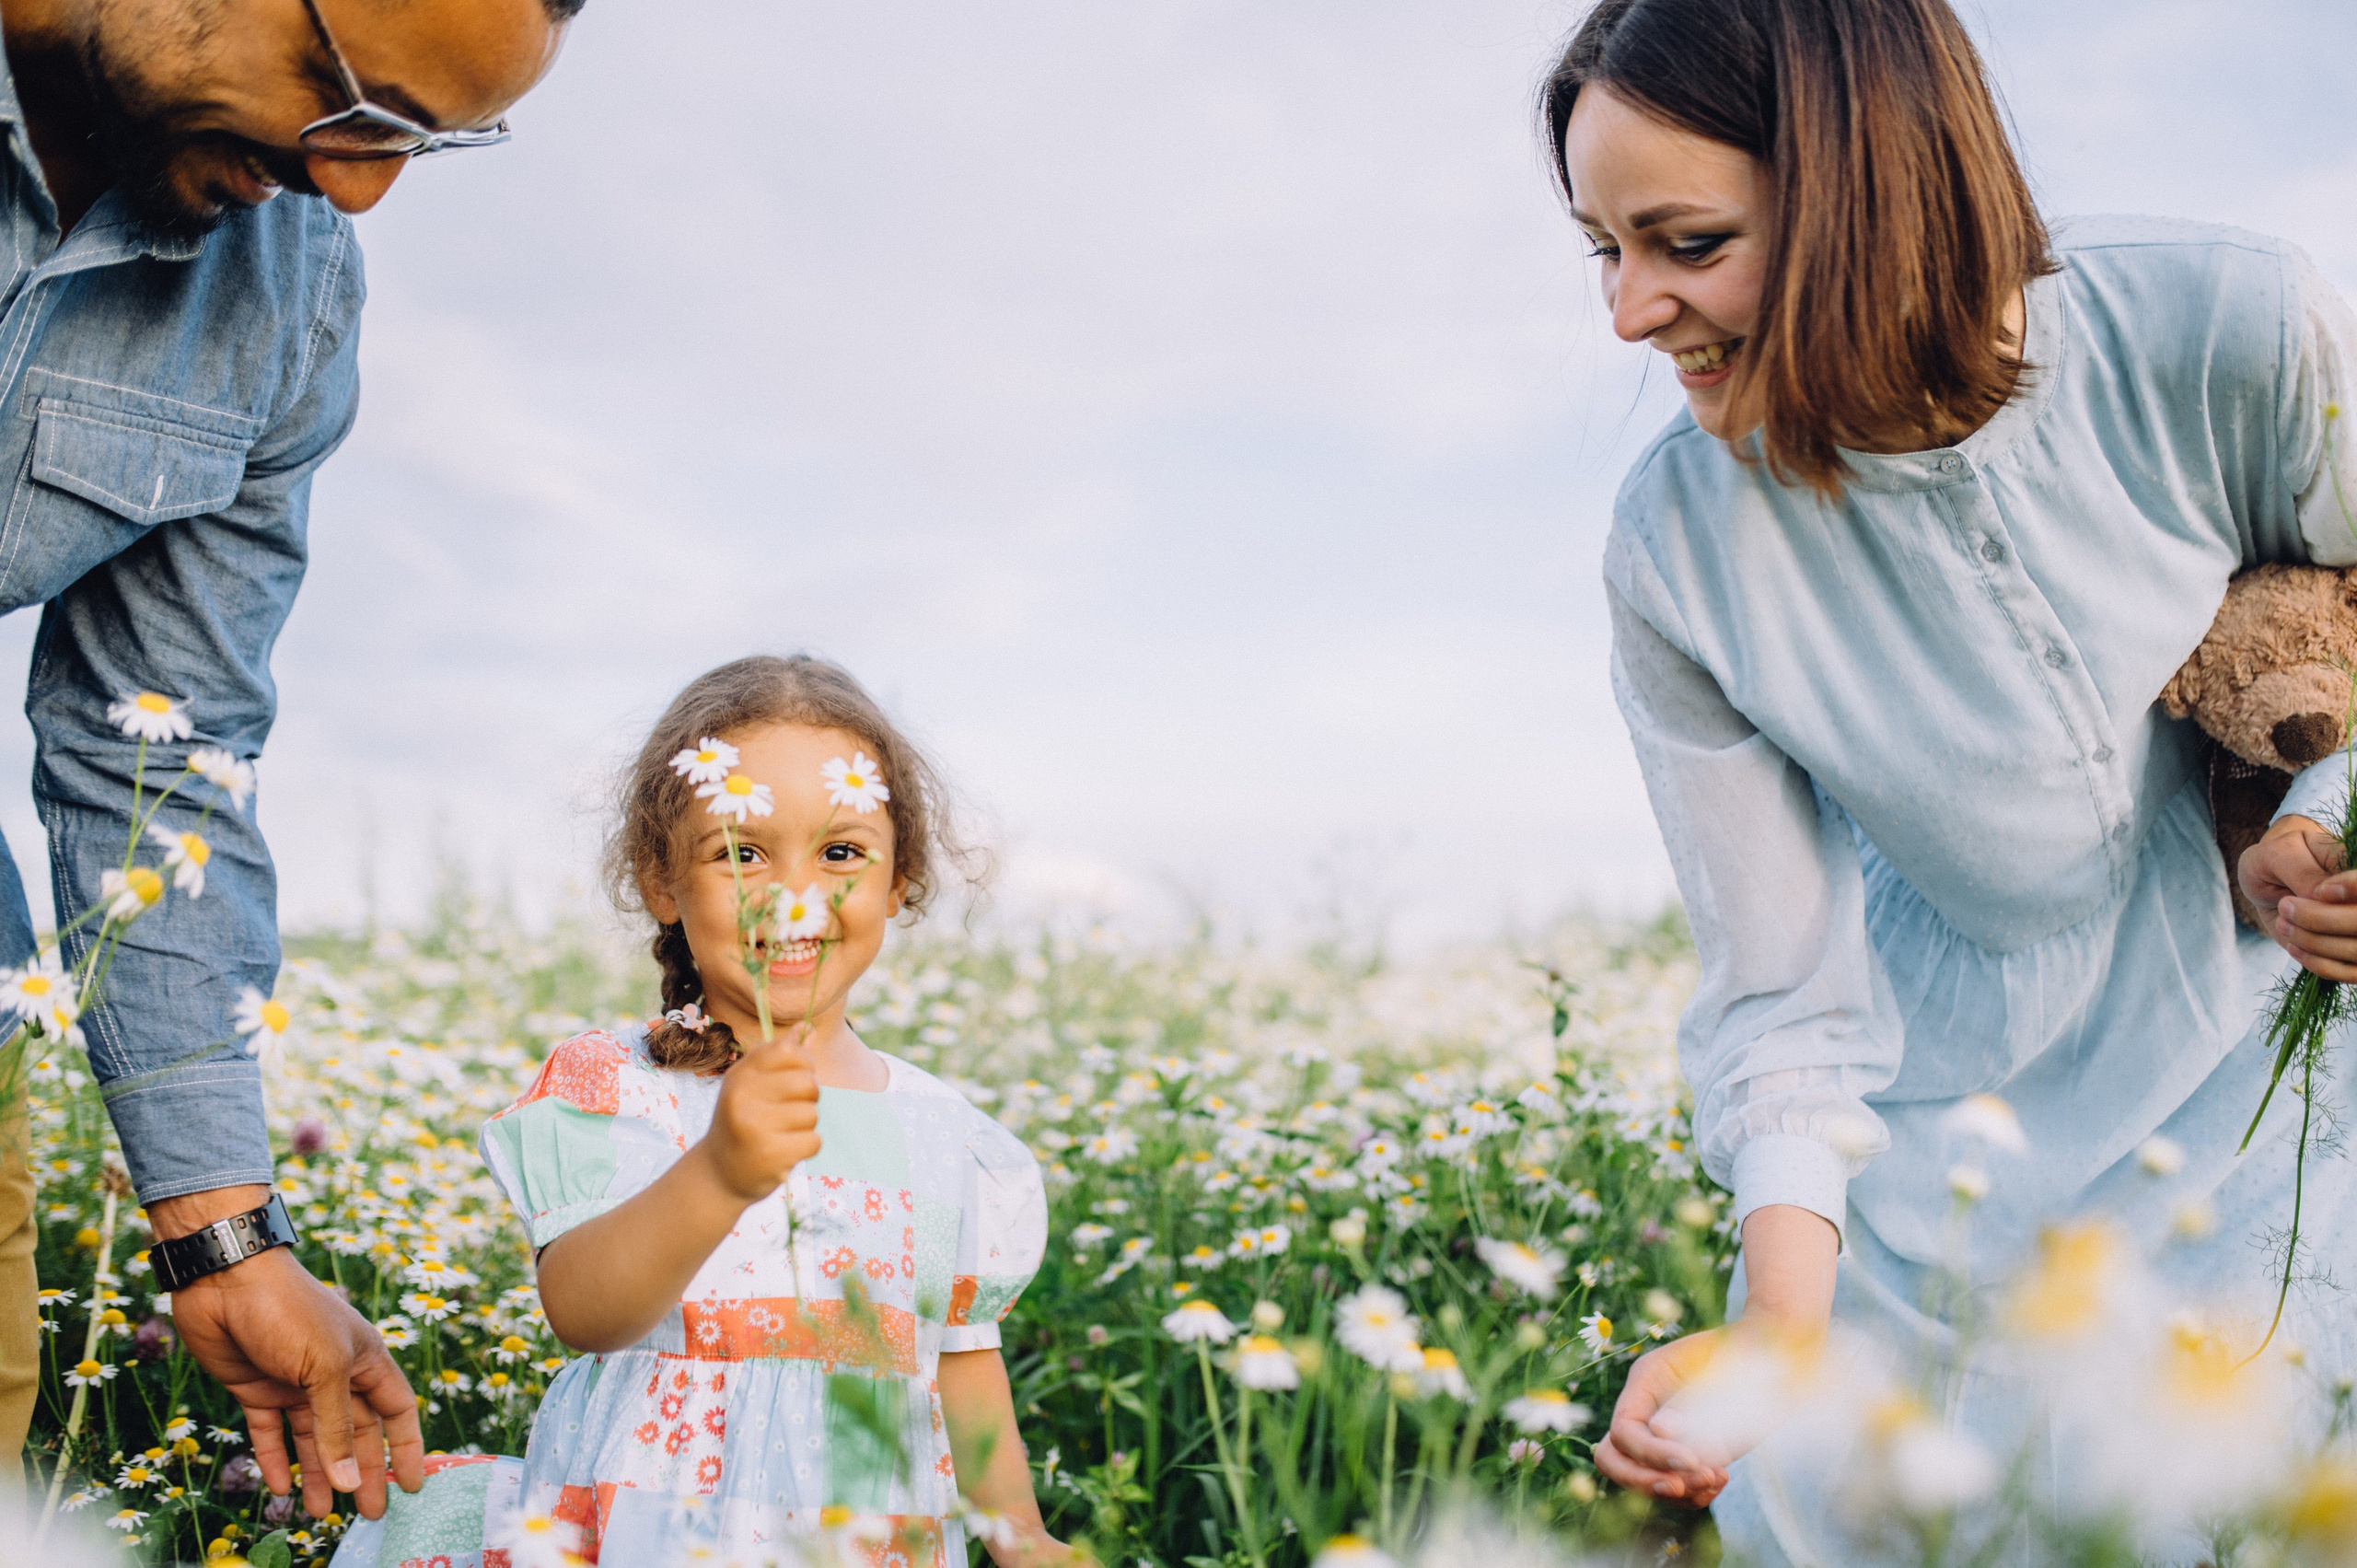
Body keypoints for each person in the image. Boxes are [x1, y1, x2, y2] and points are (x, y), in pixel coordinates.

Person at [1540, 0, 2357, 1557]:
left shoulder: (2224, 328)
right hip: (1947, 1166)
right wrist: (1782, 1326)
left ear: (1873, 191)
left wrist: (2311, 826)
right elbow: (1779, 992)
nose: (1631, 313)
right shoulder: (1676, 553)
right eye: (1602, 248)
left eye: (1687, 242)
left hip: (2286, 1088)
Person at [0, 0, 579, 1522]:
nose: (356, 186)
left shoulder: (289, 303)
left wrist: (222, 1237)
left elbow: (160, 743)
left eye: (417, 141)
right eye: (346, 98)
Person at [332, 655, 1066, 1567]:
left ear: (899, 878)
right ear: (662, 880)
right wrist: (719, 1172)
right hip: (654, 1529)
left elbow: (958, 1360)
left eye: (840, 852)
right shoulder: (620, 1083)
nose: (794, 894)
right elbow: (585, 1309)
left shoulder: (946, 1131)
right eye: (740, 853)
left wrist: (1019, 1530)